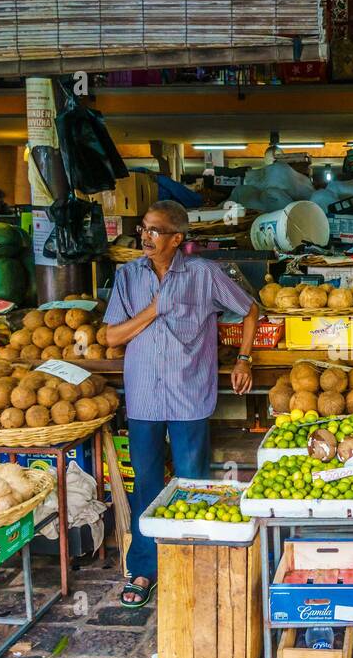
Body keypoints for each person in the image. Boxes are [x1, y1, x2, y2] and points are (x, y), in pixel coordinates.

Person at [104, 200, 258, 607]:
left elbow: (249, 309)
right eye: (143, 228)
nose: (145, 236)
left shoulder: (204, 274)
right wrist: (153, 311)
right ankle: (144, 569)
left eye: (155, 230)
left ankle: (193, 561)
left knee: (193, 483)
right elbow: (111, 338)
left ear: (177, 238)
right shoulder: (127, 276)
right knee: (147, 484)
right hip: (143, 397)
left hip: (189, 394)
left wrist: (243, 358)